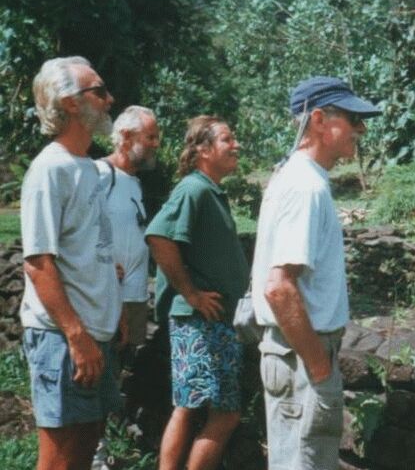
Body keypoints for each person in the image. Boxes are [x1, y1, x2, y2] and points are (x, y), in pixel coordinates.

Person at [251, 76, 381, 470]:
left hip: (294, 353)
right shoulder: (306, 187)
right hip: (302, 357)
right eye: (352, 118)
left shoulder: (294, 177)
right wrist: (320, 368)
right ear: (320, 120)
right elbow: (280, 288)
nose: (361, 129)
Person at [20, 56, 122, 470]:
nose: (110, 99)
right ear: (71, 103)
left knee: (85, 448)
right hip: (64, 337)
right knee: (60, 460)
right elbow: (38, 262)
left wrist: (103, 272)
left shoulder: (86, 168)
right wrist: (77, 337)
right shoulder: (50, 169)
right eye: (99, 91)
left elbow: (74, 247)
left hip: (91, 334)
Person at [145, 115, 250, 470]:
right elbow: (159, 236)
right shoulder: (195, 189)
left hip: (211, 320)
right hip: (200, 320)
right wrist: (192, 294)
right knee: (218, 412)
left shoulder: (209, 191)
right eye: (226, 140)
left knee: (199, 408)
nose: (236, 145)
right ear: (203, 149)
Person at [96, 105, 160, 352]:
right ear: (125, 137)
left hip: (134, 297)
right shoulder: (101, 174)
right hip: (109, 297)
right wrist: (100, 264)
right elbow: (79, 228)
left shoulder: (134, 183)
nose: (156, 144)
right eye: (150, 137)